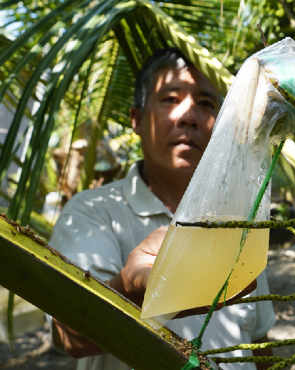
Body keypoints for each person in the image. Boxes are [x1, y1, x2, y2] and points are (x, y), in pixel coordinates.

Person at [48, 48, 276, 370]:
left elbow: (258, 340)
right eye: (170, 99)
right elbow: (69, 335)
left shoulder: (238, 221)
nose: (189, 116)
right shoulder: (92, 212)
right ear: (137, 120)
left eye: (207, 103)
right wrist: (127, 289)